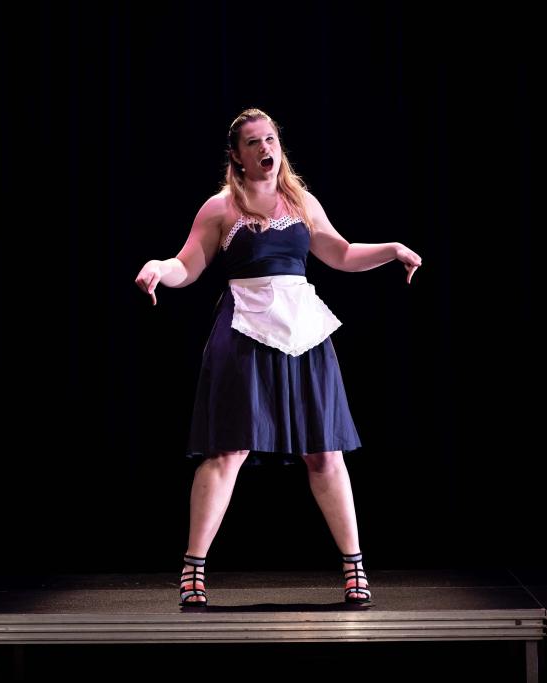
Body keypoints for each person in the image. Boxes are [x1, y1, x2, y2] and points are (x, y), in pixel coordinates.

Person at [134, 108, 422, 608]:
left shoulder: (301, 202)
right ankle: (193, 569)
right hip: (244, 328)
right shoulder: (221, 207)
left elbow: (341, 253)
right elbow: (187, 265)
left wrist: (391, 249)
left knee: (324, 451)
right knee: (227, 450)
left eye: (270, 139)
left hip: (303, 330)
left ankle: (354, 567)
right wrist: (159, 266)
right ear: (237, 156)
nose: (265, 148)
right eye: (253, 142)